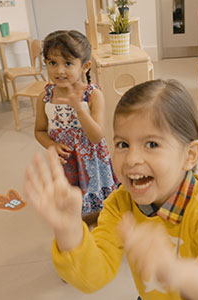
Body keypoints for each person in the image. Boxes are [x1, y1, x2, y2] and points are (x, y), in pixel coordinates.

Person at [24, 79, 198, 300]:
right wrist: (70, 233)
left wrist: (176, 272)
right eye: (123, 144)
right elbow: (92, 278)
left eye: (152, 144)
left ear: (189, 155)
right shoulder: (119, 204)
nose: (132, 159)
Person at [34, 30, 119, 227]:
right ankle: (77, 234)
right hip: (66, 163)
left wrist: (80, 109)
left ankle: (101, 233)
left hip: (91, 163)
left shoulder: (92, 95)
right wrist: (51, 145)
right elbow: (39, 131)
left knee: (99, 209)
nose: (59, 70)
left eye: (68, 63)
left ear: (85, 66)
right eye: (52, 63)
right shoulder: (45, 97)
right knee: (72, 206)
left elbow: (97, 136)